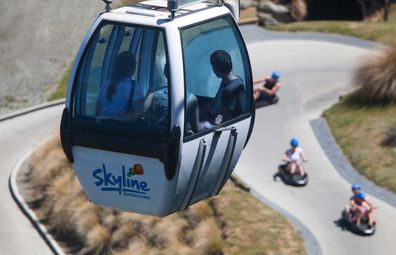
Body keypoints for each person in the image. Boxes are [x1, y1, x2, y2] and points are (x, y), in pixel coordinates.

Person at [96, 51, 144, 118]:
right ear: (132, 68)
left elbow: (97, 111)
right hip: (121, 127)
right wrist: (150, 96)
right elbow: (138, 114)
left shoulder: (105, 85)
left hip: (102, 126)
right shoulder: (134, 86)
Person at [207, 50, 245, 124]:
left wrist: (207, 125)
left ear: (215, 69)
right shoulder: (230, 80)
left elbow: (224, 119)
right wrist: (199, 114)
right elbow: (215, 101)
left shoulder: (230, 90)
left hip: (217, 121)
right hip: (214, 116)